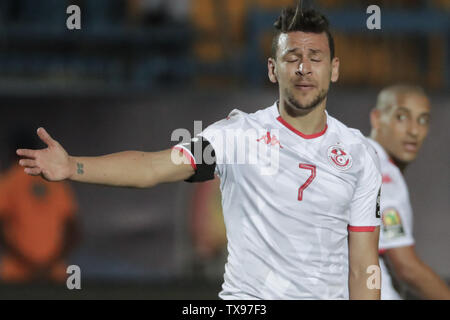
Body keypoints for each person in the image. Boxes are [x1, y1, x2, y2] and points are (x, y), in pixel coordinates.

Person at [16, 5, 382, 299]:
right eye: (292, 57)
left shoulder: (360, 154)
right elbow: (152, 168)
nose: (303, 68)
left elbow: (364, 265)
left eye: (315, 57)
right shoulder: (237, 136)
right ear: (273, 69)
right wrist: (73, 166)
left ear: (334, 69)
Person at [368, 84, 450, 300]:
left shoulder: (360, 157)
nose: (414, 130)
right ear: (377, 118)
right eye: (402, 117)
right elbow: (407, 268)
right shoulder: (381, 172)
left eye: (423, 120)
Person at [0, 130, 80, 284]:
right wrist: (49, 264)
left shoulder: (8, 182)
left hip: (17, 274)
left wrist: (29, 264)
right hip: (54, 273)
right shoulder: (56, 181)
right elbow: (74, 230)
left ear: (11, 152)